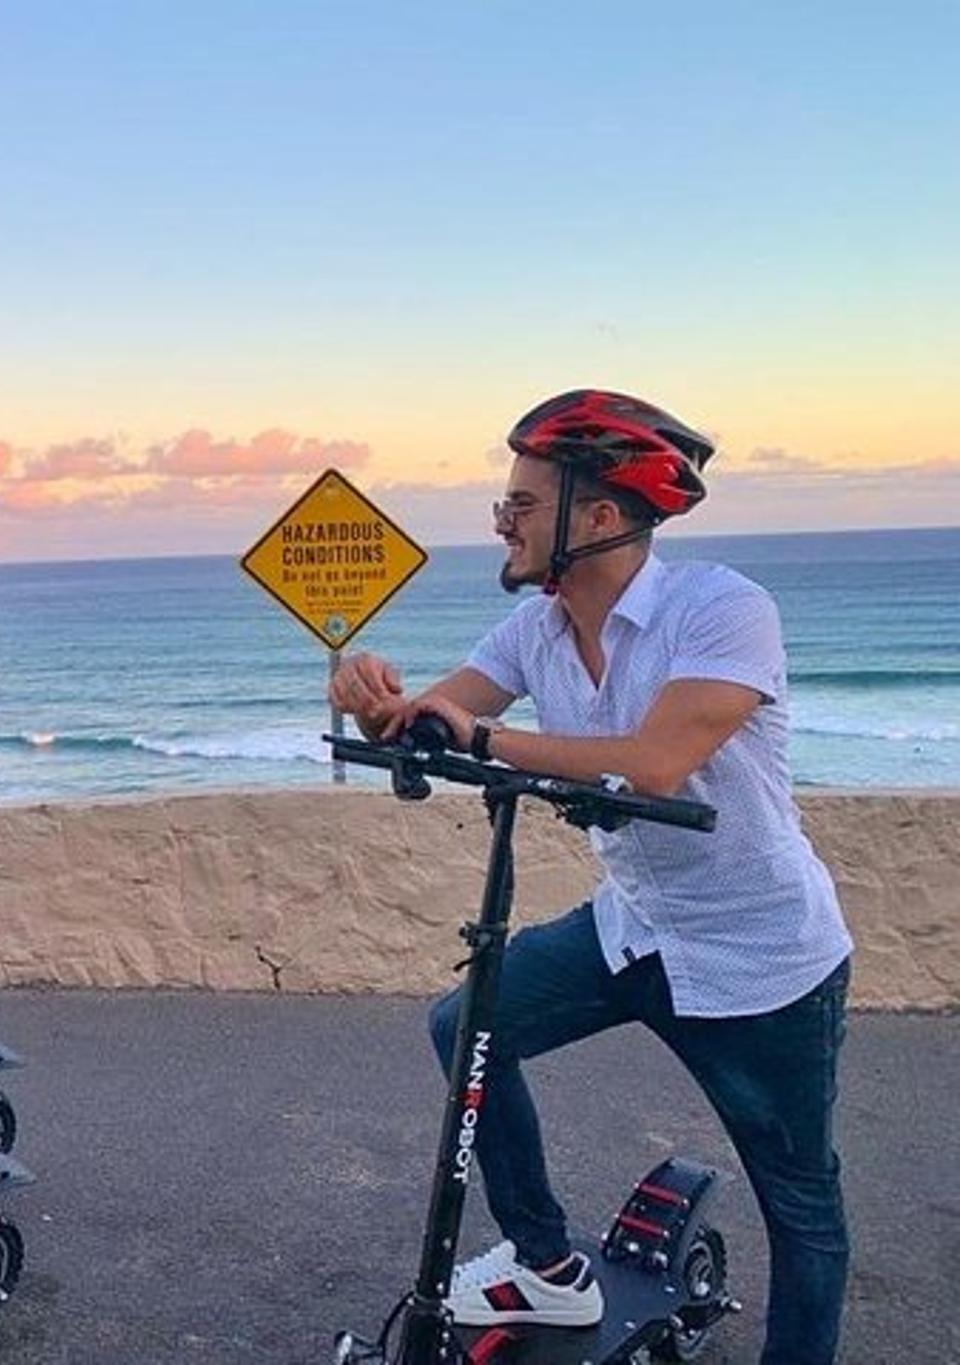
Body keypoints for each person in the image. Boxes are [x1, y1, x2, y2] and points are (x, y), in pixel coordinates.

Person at [329, 389, 851, 1363]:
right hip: (636, 929)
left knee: (800, 1206)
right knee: (464, 1025)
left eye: (520, 505)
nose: (500, 522)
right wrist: (378, 704)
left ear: (599, 518)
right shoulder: (534, 628)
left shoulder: (723, 610)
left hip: (758, 952)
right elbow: (439, 717)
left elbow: (652, 762)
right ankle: (545, 1263)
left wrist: (480, 732)